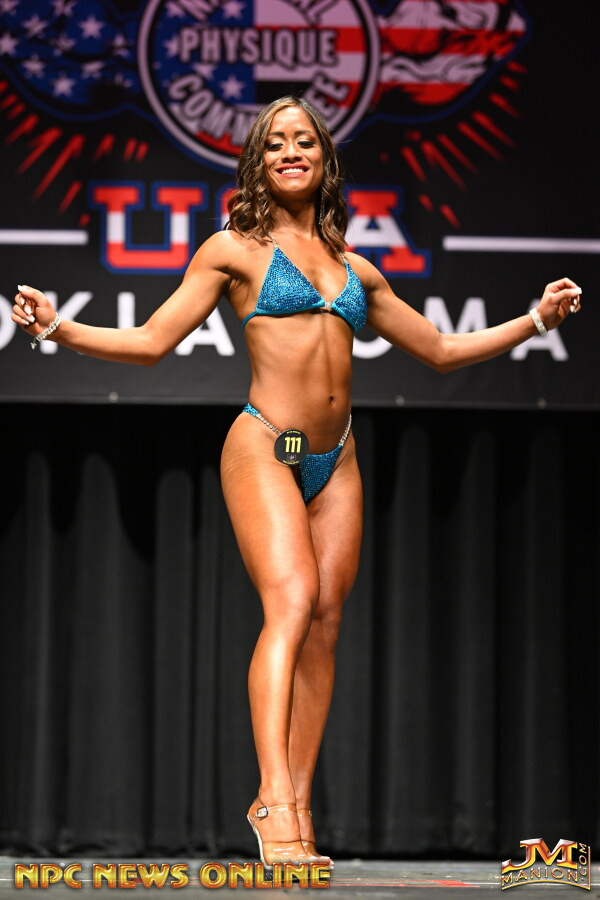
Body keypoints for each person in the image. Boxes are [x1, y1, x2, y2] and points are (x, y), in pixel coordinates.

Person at [12, 96, 581, 872]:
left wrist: (537, 320)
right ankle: (271, 799)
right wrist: (56, 327)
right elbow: (150, 342)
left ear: (324, 158)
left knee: (326, 624)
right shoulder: (234, 250)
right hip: (264, 445)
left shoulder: (355, 267)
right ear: (258, 160)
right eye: (275, 142)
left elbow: (443, 351)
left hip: (335, 459)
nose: (290, 151)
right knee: (292, 600)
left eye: (303, 140)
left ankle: (300, 809)